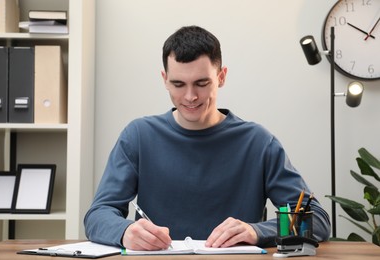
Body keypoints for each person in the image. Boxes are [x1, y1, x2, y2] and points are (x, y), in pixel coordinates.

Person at [84, 25, 330, 250]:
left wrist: (256, 231)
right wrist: (125, 231)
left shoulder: (258, 142)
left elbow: (316, 219)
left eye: (201, 83)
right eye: (178, 84)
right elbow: (98, 214)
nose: (190, 96)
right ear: (165, 80)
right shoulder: (138, 136)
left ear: (221, 77)